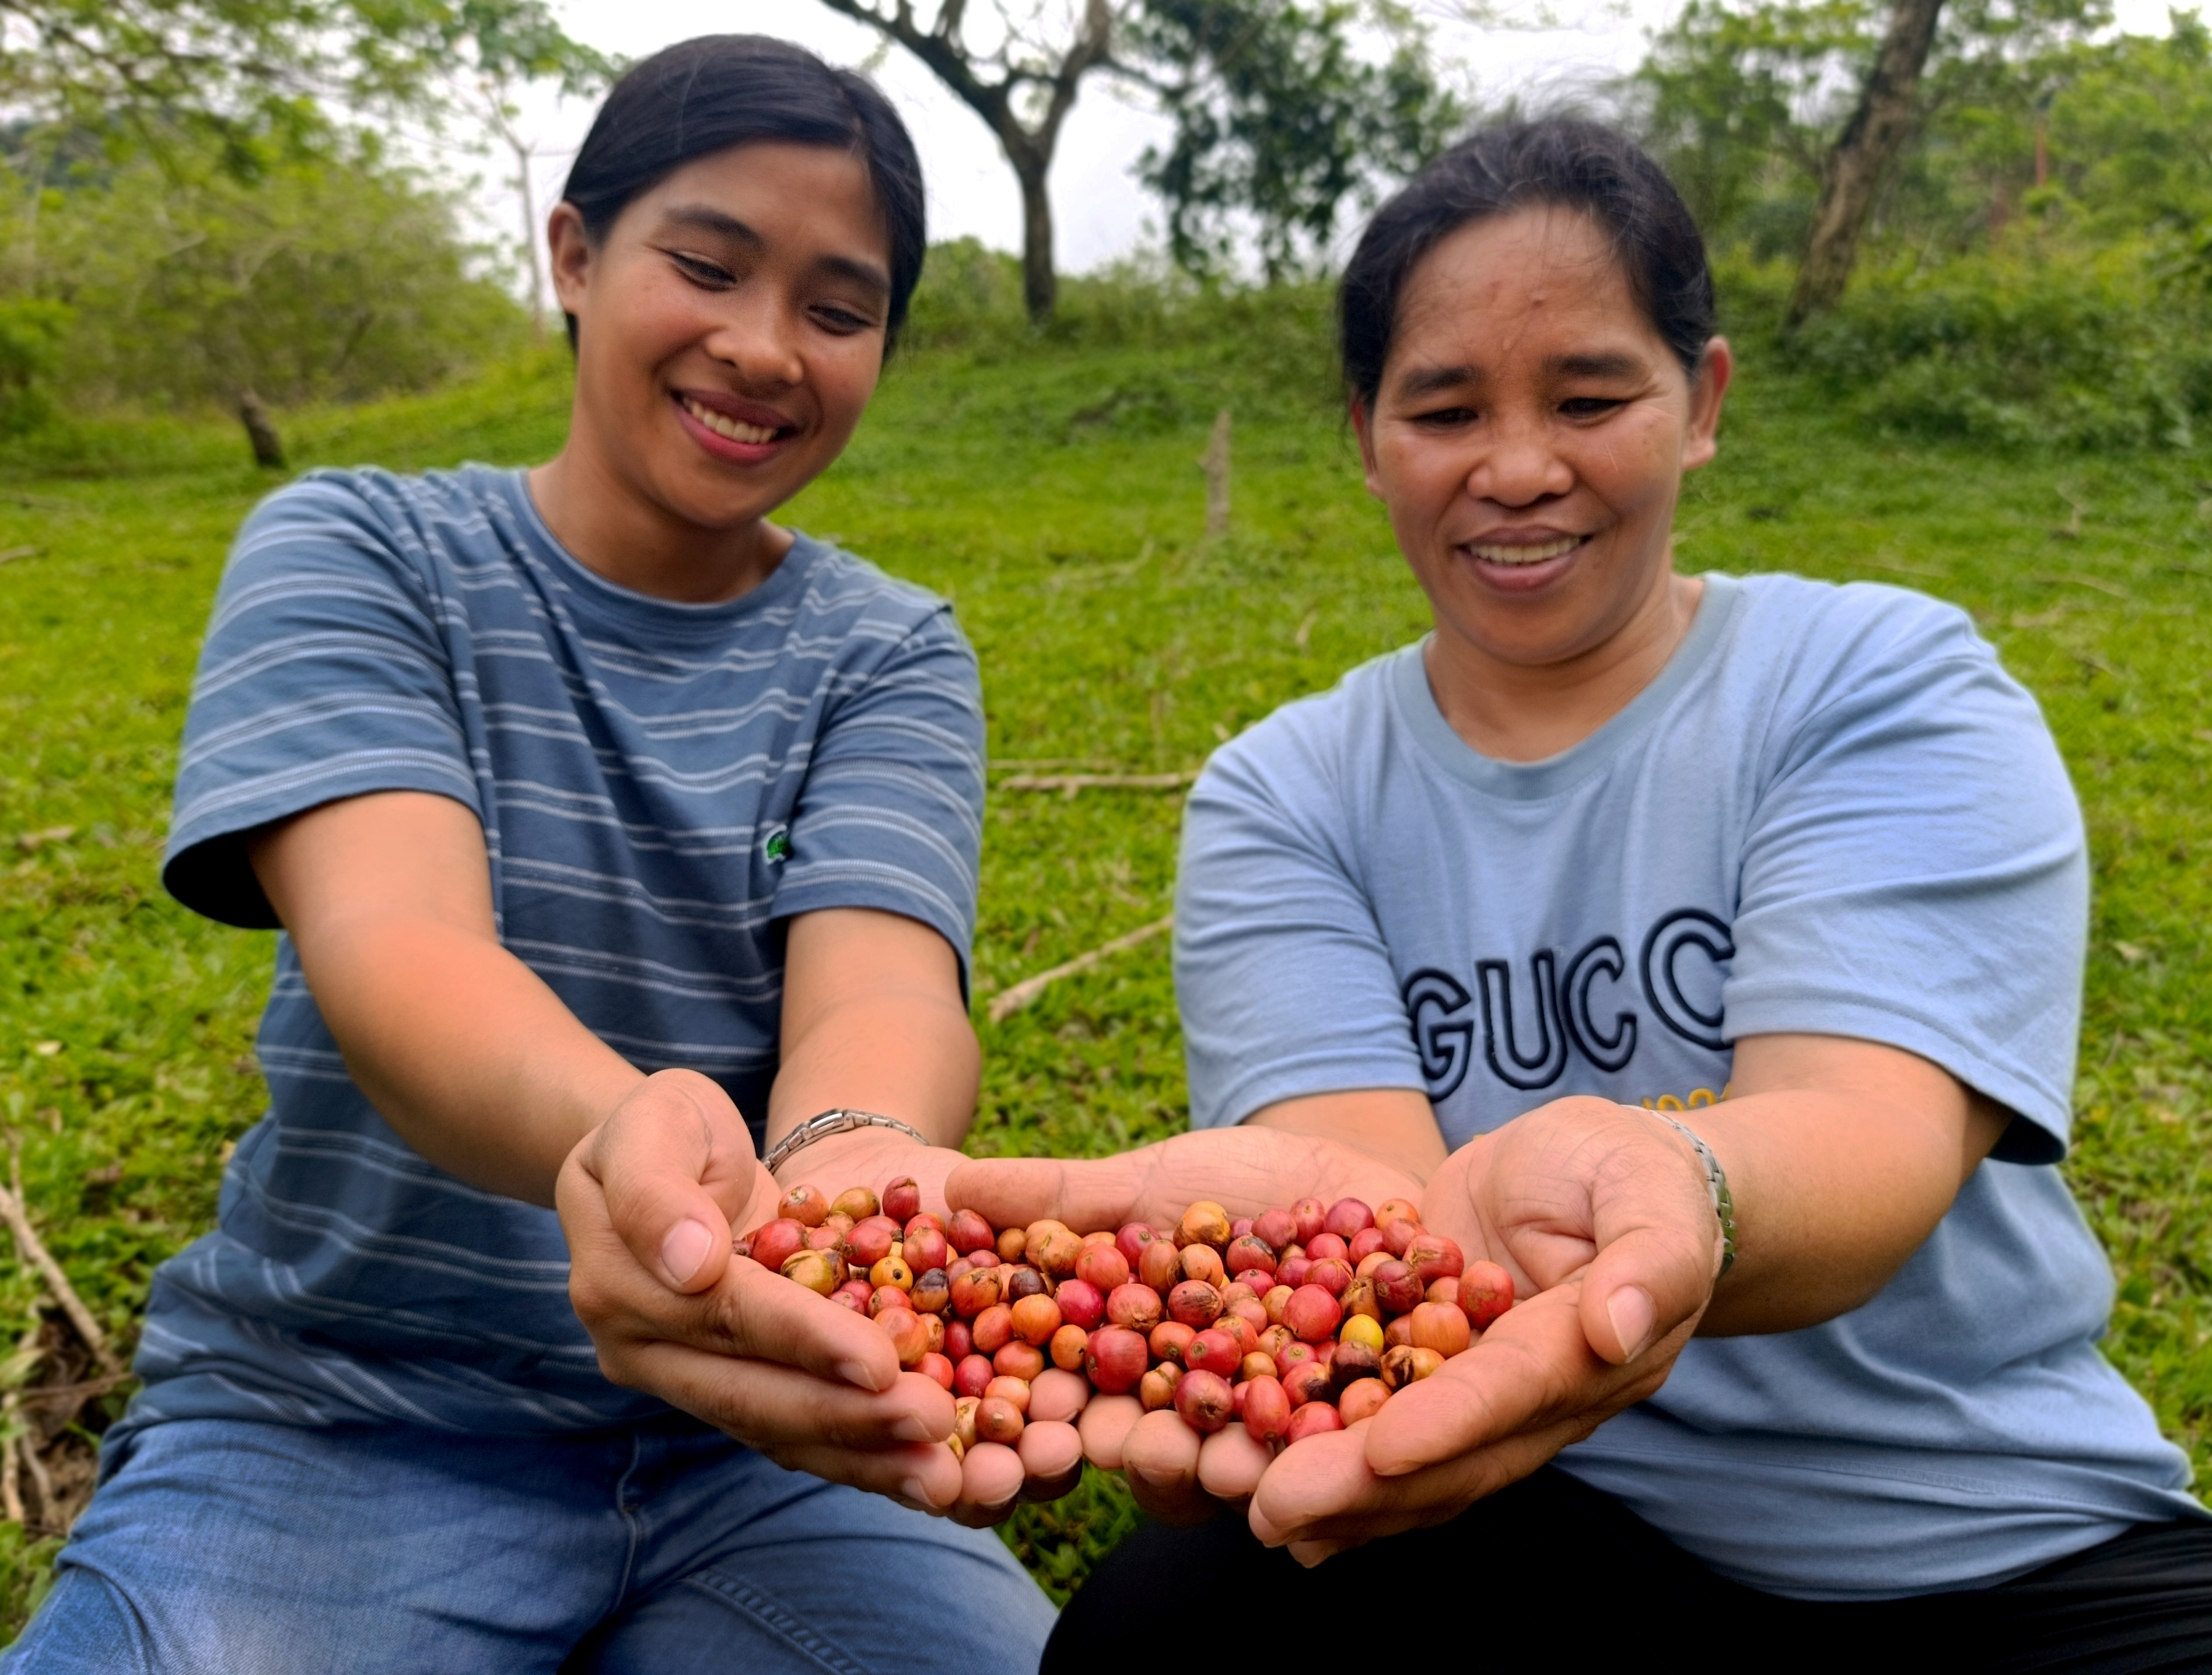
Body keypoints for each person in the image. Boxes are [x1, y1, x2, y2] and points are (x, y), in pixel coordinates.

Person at [953, 118, 2212, 1669]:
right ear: (1366, 438)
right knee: (1177, 1625)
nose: (1521, 468)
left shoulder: (1884, 687)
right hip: (1542, 1517)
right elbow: (1375, 1239)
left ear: (1705, 403)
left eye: (1591, 396)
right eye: (1445, 407)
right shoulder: (1287, 797)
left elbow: (1870, 1142)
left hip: (1989, 1548)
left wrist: (1674, 1182)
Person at [4, 36, 1060, 1673]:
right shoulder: (363, 550)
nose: (764, 348)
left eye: (840, 311)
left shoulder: (890, 651)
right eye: (707, 266)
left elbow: (883, 988)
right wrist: (625, 1133)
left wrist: (852, 1167)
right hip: (348, 1415)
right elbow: (399, 950)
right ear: (575, 254)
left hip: (764, 1436)